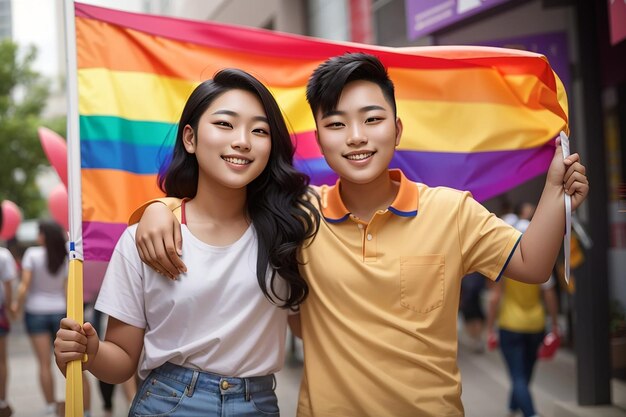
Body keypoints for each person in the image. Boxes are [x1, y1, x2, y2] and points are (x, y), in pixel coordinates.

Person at [128, 53, 589, 416]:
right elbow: (218, 205)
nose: (356, 136)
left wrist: (553, 193)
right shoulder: (297, 215)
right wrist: (158, 208)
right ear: (320, 137)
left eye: (372, 118)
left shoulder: (451, 210)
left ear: (397, 128)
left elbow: (532, 264)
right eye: (335, 124)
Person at [53, 68, 319, 417]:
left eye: (259, 130)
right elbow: (121, 363)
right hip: (168, 403)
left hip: (259, 405)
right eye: (225, 124)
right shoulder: (141, 239)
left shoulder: (291, 232)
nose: (242, 140)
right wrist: (90, 351)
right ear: (190, 138)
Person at [11, 220, 91, 416]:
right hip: (60, 312)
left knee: (44, 364)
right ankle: (86, 410)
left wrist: (16, 307)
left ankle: (49, 408)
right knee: (74, 363)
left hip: (35, 312)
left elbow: (24, 286)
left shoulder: (32, 254)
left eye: (39, 233)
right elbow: (67, 289)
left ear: (44, 236)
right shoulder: (66, 257)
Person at [486, 203, 560, 417]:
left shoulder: (506, 264)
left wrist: (490, 328)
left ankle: (531, 414)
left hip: (510, 325)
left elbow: (495, 298)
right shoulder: (540, 264)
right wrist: (554, 324)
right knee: (525, 375)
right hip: (535, 325)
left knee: (518, 377)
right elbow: (550, 295)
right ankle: (512, 409)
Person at [0, 245, 16, 417]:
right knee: (1, 360)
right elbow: (8, 286)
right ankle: (2, 400)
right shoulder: (3, 255)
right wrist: (10, 309)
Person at [459, 272, 488, 353]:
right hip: (475, 296)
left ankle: (475, 339)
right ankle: (477, 339)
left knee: (470, 319)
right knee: (476, 317)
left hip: (467, 298)